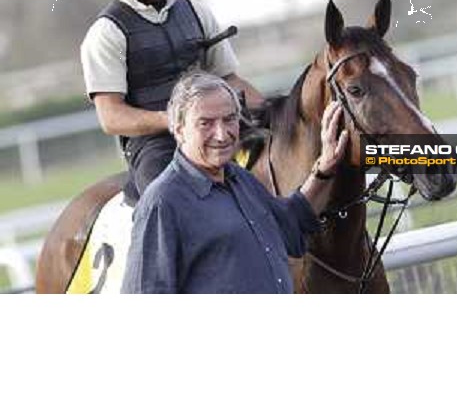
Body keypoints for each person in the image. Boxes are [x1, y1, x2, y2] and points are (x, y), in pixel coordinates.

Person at [81, 0, 262, 202]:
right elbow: (111, 117)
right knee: (167, 202)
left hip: (218, 127)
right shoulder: (105, 33)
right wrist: (176, 121)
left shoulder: (196, 11)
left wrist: (277, 112)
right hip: (155, 147)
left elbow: (230, 80)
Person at [121, 71, 349, 294]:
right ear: (179, 130)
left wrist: (324, 166)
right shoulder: (162, 203)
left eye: (229, 119)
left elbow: (289, 225)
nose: (221, 134)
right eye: (205, 123)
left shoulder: (239, 179)